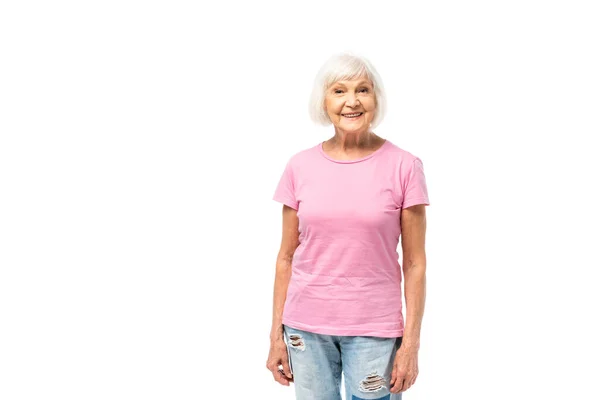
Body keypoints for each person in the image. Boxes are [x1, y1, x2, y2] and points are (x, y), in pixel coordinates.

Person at [266, 52, 430, 400]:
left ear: (376, 99)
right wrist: (275, 335)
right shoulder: (299, 166)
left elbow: (415, 263)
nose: (351, 101)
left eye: (363, 90)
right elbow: (286, 257)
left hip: (375, 330)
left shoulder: (405, 166)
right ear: (324, 101)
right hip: (305, 327)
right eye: (339, 91)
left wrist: (411, 344)